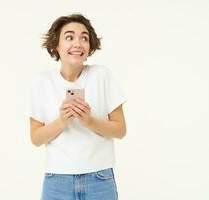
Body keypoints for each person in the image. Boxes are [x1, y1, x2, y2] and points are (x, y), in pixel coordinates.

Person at [29, 13, 127, 200]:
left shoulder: (102, 75)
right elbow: (35, 138)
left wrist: (88, 121)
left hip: (99, 179)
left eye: (84, 38)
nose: (78, 44)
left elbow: (120, 130)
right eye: (69, 37)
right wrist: (62, 121)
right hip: (57, 181)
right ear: (56, 45)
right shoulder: (42, 81)